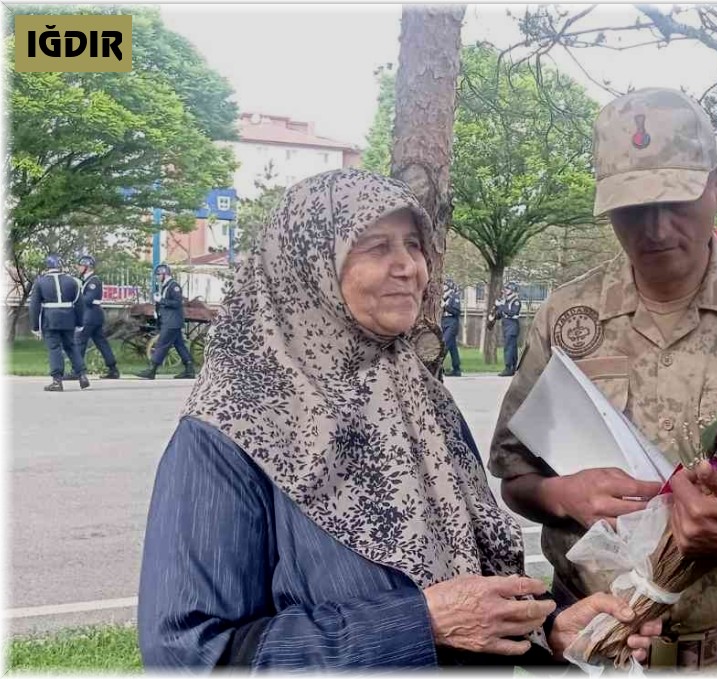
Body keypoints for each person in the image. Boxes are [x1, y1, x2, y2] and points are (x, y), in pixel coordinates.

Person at [137, 169, 659, 670]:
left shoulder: (421, 398)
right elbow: (188, 653)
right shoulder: (231, 429)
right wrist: (420, 624)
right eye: (376, 246)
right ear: (308, 266)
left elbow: (468, 581)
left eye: (413, 244)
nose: (410, 266)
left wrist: (549, 630)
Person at [489, 88, 717, 670]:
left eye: (676, 200)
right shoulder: (568, 317)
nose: (654, 228)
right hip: (594, 649)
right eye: (631, 208)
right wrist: (561, 494)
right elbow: (515, 477)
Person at [29, 254, 89, 392]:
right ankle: (82, 375)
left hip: (50, 320)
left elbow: (34, 306)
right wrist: (80, 323)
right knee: (71, 347)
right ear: (60, 265)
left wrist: (35, 327)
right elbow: (79, 304)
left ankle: (57, 380)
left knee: (54, 348)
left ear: (47, 266)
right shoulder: (72, 282)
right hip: (69, 319)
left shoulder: (40, 282)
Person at [137, 264, 195, 380]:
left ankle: (152, 370)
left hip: (172, 322)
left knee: (161, 344)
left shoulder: (174, 286)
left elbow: (177, 303)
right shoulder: (166, 286)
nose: (157, 277)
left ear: (165, 274)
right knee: (180, 345)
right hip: (169, 320)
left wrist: (161, 300)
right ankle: (189, 369)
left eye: (158, 275)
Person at [68, 255, 120, 380]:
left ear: (87, 267)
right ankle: (113, 369)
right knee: (101, 342)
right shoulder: (87, 280)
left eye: (80, 266)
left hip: (90, 315)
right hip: (93, 315)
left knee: (79, 341)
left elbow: (88, 300)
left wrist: (74, 299)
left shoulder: (93, 281)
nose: (78, 268)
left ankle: (77, 371)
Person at [496, 281, 522, 377]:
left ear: (512, 290)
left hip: (512, 325)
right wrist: (496, 312)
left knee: (509, 347)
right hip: (506, 325)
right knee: (512, 347)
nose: (505, 291)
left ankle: (508, 368)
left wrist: (501, 306)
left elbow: (512, 312)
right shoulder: (505, 301)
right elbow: (500, 314)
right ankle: (513, 367)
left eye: (507, 289)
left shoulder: (516, 301)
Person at [441, 279, 463, 377]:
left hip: (452, 322)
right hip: (443, 321)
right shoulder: (442, 297)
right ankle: (456, 368)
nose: (442, 286)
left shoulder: (454, 296)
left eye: (444, 284)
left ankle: (438, 365)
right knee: (452, 347)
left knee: (444, 344)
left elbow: (457, 311)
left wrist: (445, 307)